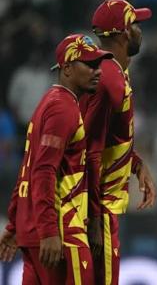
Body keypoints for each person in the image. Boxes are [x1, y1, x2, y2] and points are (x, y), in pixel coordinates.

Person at [1, 34, 110, 284]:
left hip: (34, 231)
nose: (97, 71)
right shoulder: (63, 108)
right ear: (68, 68)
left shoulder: (50, 102)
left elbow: (27, 168)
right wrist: (50, 232)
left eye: (98, 64)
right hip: (62, 234)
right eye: (90, 65)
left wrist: (14, 225)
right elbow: (42, 171)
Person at [80, 0, 157, 285]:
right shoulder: (108, 78)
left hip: (94, 206)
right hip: (93, 209)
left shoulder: (111, 72)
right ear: (125, 33)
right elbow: (87, 148)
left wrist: (136, 165)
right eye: (136, 24)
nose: (140, 30)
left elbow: (107, 135)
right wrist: (96, 218)